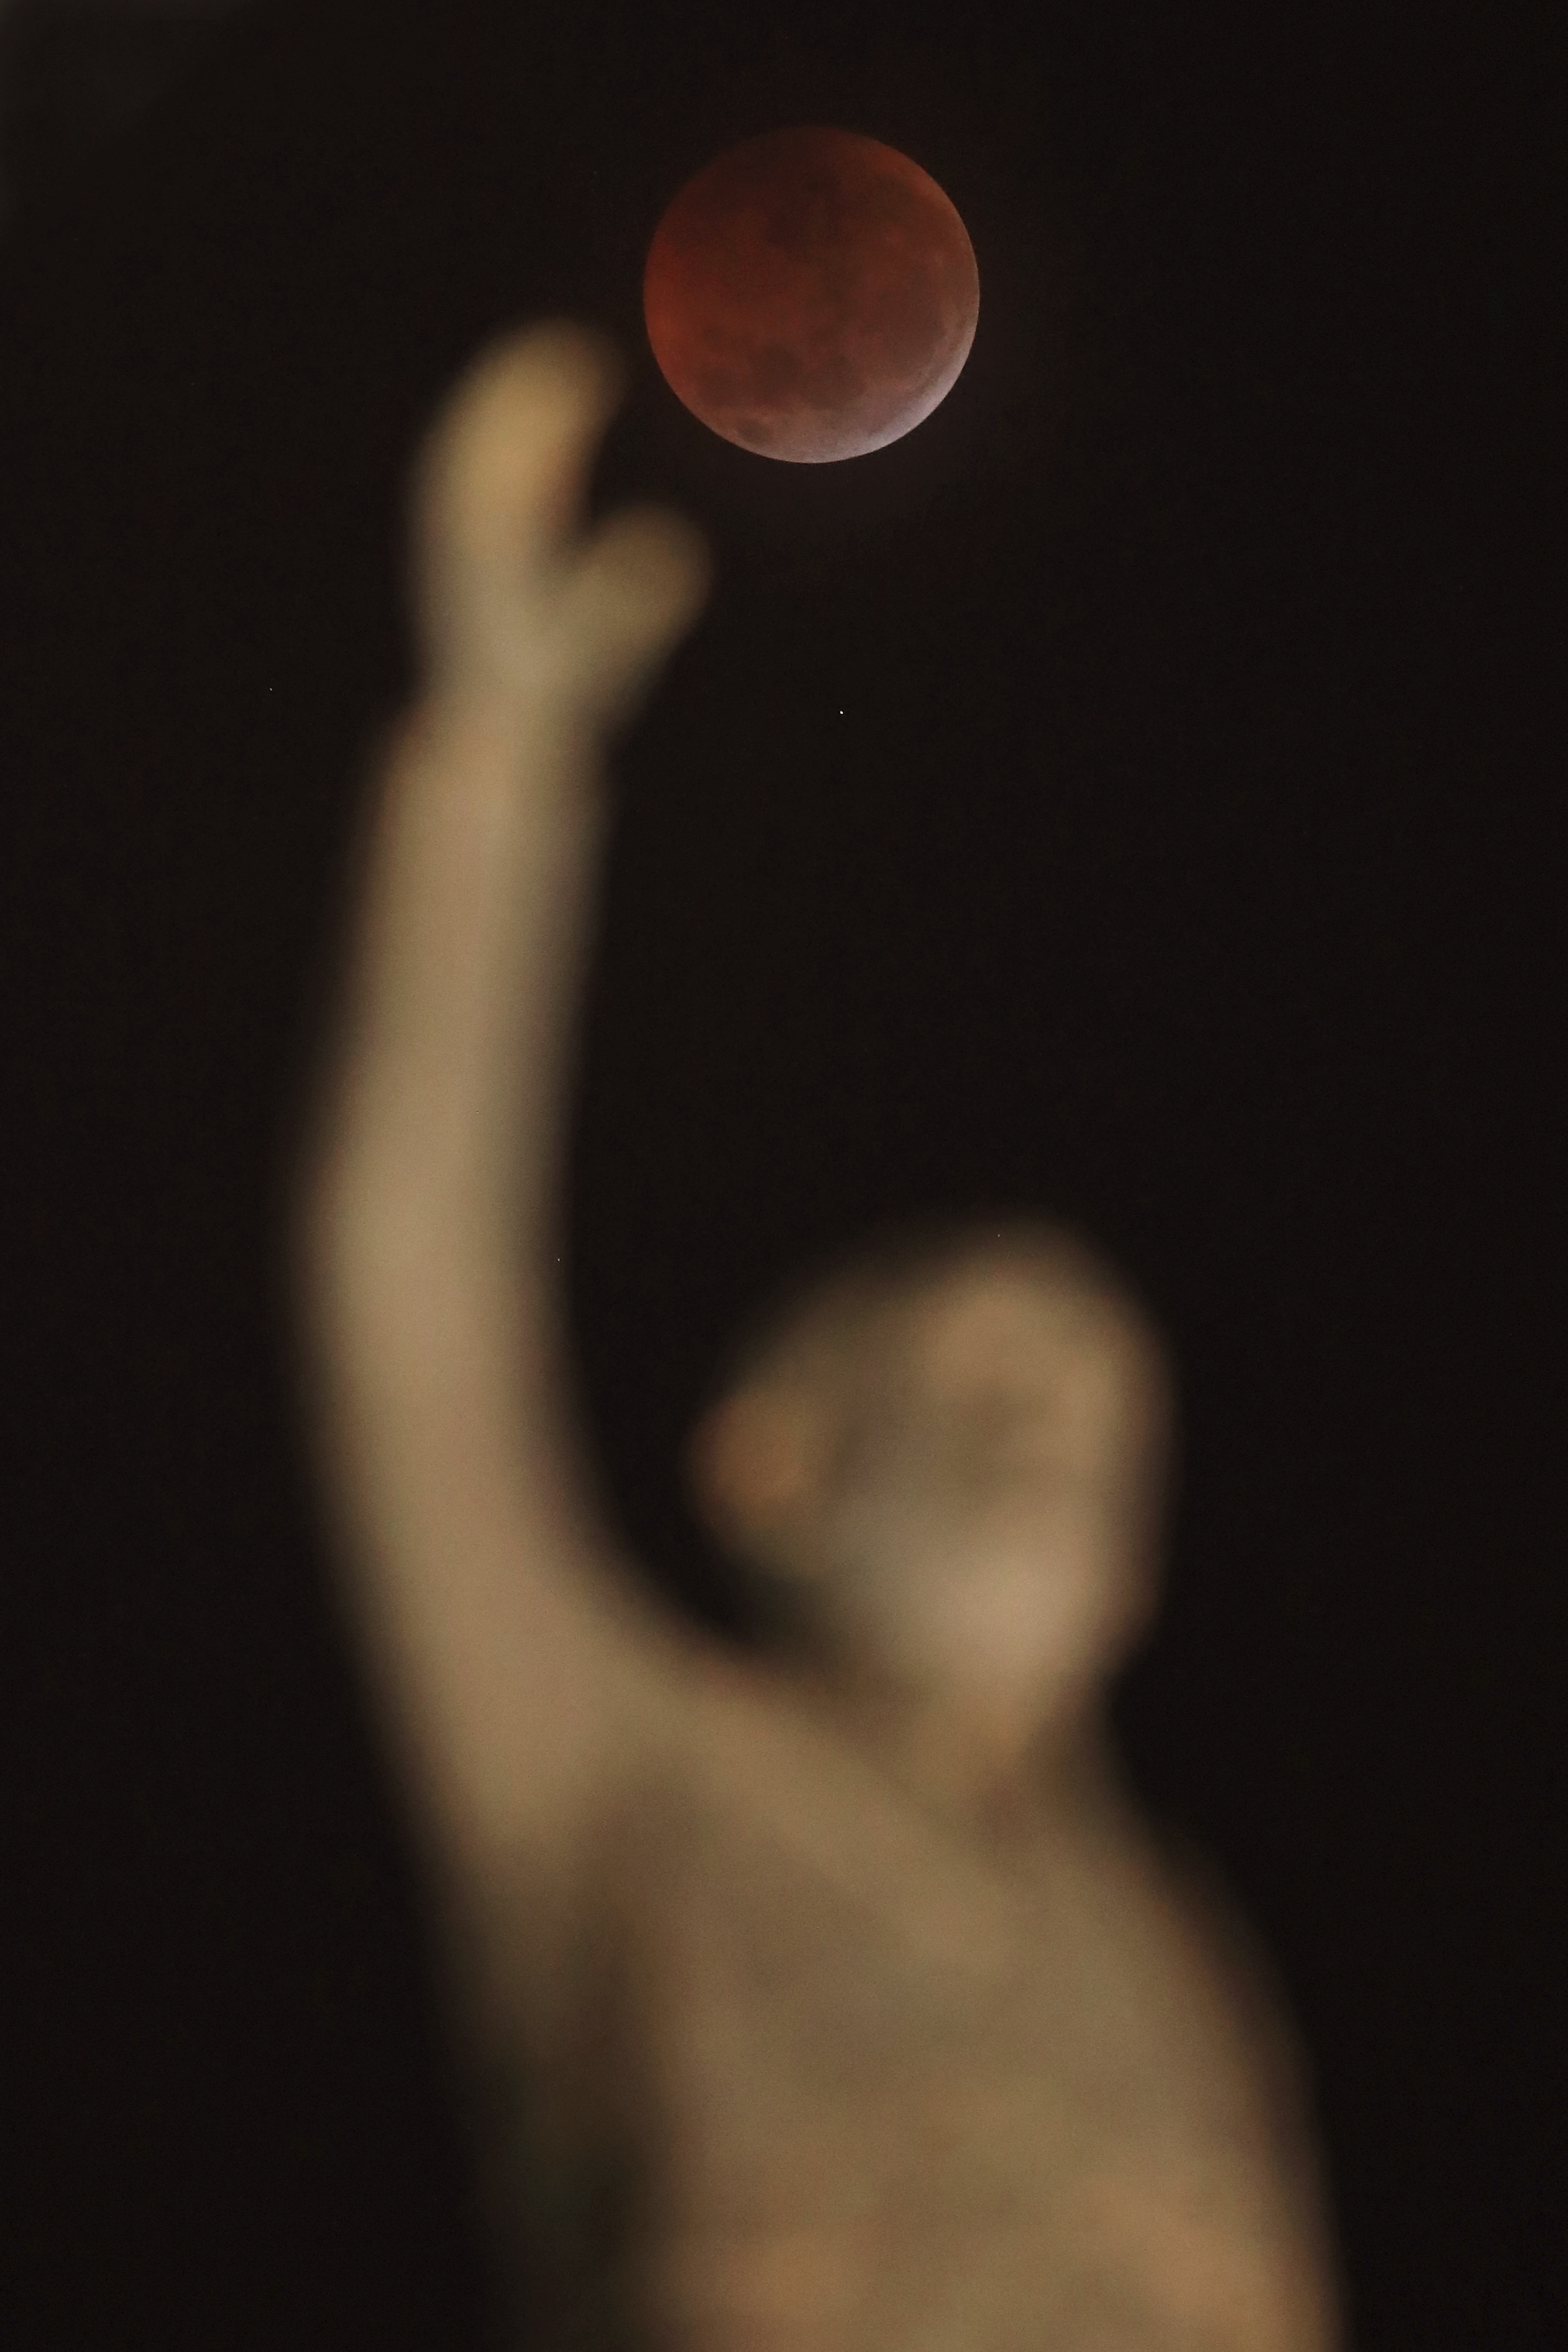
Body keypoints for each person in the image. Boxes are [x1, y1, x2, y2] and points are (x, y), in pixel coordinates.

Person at [283, 320, 1343, 2349]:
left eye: (1112, 1410)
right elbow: (409, 1290)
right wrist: (496, 769)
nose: (1059, 1435)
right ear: (771, 1461)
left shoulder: (1170, 1955)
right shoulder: (630, 1794)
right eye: (981, 1382)